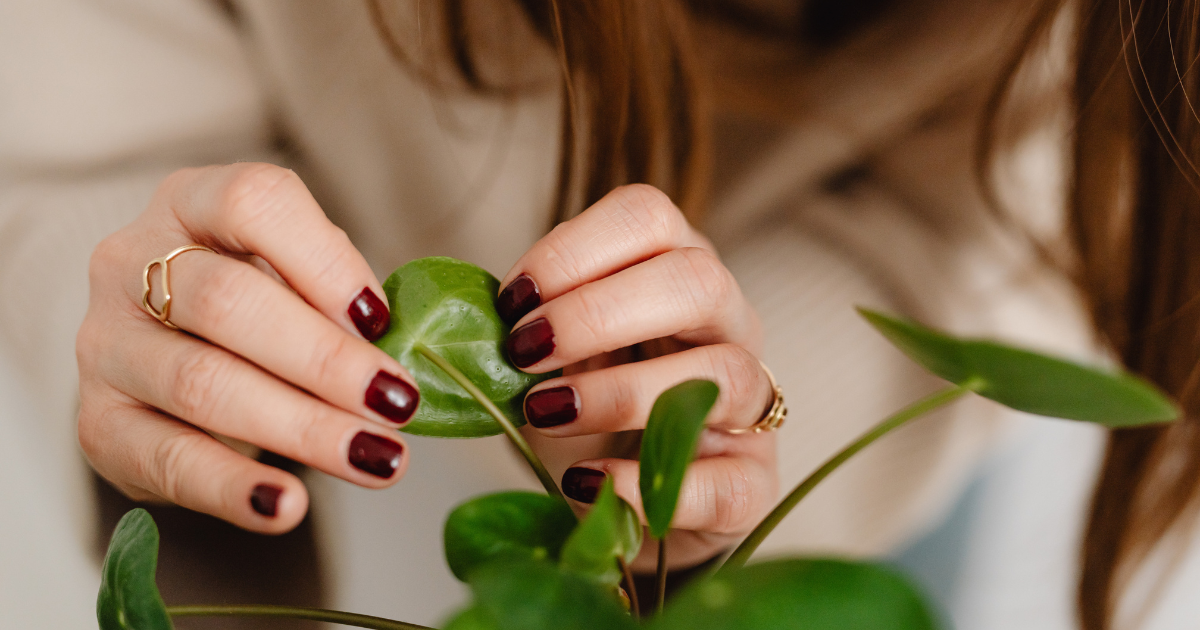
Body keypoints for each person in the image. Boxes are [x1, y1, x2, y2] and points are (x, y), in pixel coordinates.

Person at [1, 0, 1194, 628]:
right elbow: (81, 135)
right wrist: (170, 314)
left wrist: (743, 419)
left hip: (851, 442)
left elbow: (1015, 215)